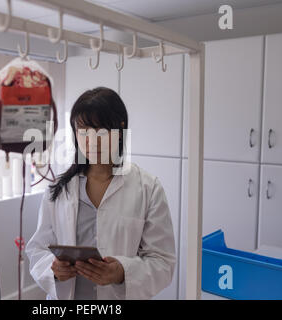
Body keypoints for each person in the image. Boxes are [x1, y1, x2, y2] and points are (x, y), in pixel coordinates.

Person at [25, 87, 176, 300]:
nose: (92, 141)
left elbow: (163, 261)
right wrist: (54, 271)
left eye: (101, 131)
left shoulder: (148, 188)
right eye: (84, 131)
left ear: (120, 130)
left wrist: (122, 271)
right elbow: (38, 250)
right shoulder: (60, 189)